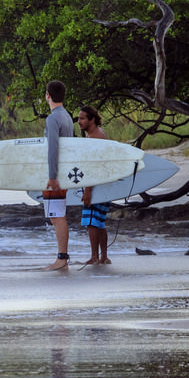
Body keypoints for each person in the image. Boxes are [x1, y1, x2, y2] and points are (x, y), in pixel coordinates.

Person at [43, 80, 74, 271]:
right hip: (65, 171)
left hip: (57, 174)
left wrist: (52, 176)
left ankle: (62, 258)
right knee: (57, 214)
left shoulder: (53, 119)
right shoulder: (67, 116)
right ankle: (62, 257)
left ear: (48, 95)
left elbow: (53, 148)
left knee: (57, 216)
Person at [78, 105, 111, 265]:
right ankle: (103, 256)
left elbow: (93, 166)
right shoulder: (98, 133)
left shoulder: (95, 137)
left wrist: (88, 190)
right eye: (78, 118)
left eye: (82, 118)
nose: (79, 121)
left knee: (91, 221)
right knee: (99, 221)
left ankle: (94, 257)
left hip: (96, 184)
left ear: (92, 119)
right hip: (103, 184)